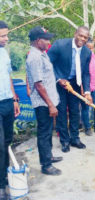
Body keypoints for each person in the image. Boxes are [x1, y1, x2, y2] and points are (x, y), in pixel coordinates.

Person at [48, 26, 92, 153]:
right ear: (75, 34)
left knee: (75, 112)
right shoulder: (60, 45)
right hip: (60, 83)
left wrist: (87, 91)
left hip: (75, 84)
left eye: (85, 37)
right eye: (80, 35)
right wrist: (58, 79)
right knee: (61, 113)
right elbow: (48, 63)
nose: (82, 39)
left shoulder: (87, 52)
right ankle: (65, 141)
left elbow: (85, 73)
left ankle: (75, 139)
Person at [26, 26, 62, 175]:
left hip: (48, 101)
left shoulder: (42, 54)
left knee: (48, 131)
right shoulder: (34, 58)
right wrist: (50, 105)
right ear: (36, 40)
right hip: (43, 103)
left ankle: (49, 156)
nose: (48, 42)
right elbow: (38, 85)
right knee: (44, 133)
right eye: (45, 39)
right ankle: (46, 165)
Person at [0, 20, 20, 200]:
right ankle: (1, 187)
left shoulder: (4, 53)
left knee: (7, 142)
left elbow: (8, 76)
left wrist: (14, 99)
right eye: (3, 36)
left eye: (6, 34)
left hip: (7, 101)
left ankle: (5, 178)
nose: (6, 38)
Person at [80, 39, 95, 135]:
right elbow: (79, 74)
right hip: (85, 87)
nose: (90, 50)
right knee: (85, 107)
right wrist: (81, 87)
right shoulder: (81, 57)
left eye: (92, 48)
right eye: (88, 48)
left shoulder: (93, 56)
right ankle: (87, 128)